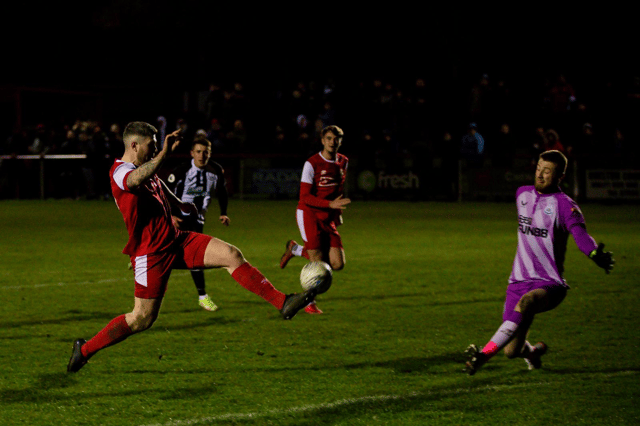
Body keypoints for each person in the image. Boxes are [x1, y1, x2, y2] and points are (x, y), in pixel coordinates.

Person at [67, 122, 318, 373]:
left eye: (157, 147)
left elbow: (157, 183)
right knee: (142, 318)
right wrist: (164, 154)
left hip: (176, 240)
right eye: (151, 146)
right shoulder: (119, 172)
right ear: (133, 145)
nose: (154, 150)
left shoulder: (144, 168)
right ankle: (85, 350)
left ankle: (282, 302)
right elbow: (134, 181)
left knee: (231, 255)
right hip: (150, 253)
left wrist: (180, 206)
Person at [464, 150, 615, 375]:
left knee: (527, 303)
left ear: (560, 176)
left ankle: (483, 355)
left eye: (547, 171)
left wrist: (594, 253)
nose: (540, 175)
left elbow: (580, 235)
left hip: (549, 283)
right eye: (538, 169)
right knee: (512, 351)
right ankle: (533, 352)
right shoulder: (522, 194)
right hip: (517, 283)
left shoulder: (566, 206)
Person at [279, 125, 351, 314]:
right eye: (328, 138)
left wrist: (337, 214)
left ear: (340, 141)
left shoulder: (343, 162)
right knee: (317, 260)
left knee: (336, 264)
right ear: (322, 140)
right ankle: (309, 303)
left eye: (336, 139)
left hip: (328, 217)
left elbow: (338, 190)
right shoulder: (311, 164)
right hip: (309, 214)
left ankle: (294, 249)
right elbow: (304, 197)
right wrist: (330, 205)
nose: (332, 142)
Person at [166, 138, 229, 312]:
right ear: (192, 153)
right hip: (178, 219)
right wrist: (171, 214)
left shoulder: (215, 170)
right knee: (174, 255)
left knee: (192, 258)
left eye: (205, 151)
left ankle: (202, 296)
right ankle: (141, 258)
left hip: (197, 220)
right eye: (199, 151)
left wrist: (223, 212)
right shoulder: (182, 170)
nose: (202, 155)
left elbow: (222, 192)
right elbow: (165, 193)